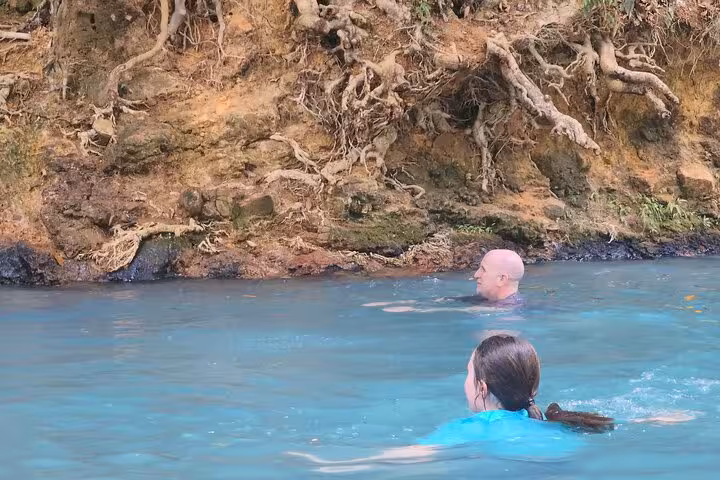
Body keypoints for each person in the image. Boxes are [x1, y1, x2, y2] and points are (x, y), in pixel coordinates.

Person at [288, 334, 693, 468]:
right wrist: (658, 419)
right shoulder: (559, 420)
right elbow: (625, 424)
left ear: (481, 389)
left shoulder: (471, 429)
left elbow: (410, 455)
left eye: (468, 374)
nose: (464, 383)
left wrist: (335, 464)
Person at [367, 249, 525, 313]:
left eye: (483, 269)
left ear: (501, 279)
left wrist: (418, 310)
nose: (476, 275)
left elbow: (453, 310)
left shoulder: (510, 311)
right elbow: (442, 302)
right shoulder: (483, 300)